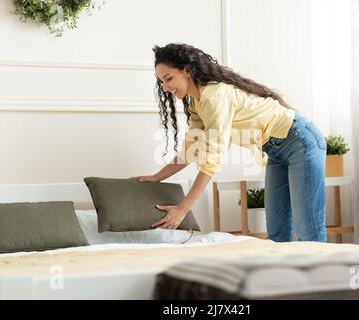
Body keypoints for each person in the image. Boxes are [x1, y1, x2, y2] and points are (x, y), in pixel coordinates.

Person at [134, 43, 327, 242]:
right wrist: (156, 177)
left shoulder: (214, 96)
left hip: (300, 140)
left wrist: (182, 209)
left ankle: (323, 273)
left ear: (186, 71)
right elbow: (191, 150)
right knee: (277, 234)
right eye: (162, 82)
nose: (165, 88)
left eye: (168, 79)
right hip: (276, 150)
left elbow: (211, 160)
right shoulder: (196, 103)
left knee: (309, 232)